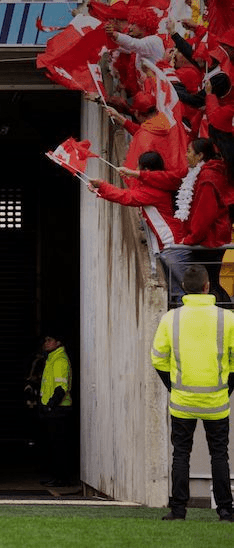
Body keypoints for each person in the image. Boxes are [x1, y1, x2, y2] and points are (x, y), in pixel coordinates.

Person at [151, 264, 234, 521]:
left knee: (181, 454)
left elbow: (158, 359)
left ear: (184, 288)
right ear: (207, 287)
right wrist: (226, 388)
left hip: (182, 401)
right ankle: (225, 510)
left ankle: (178, 510)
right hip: (216, 401)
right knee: (219, 455)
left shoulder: (170, 318)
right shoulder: (227, 318)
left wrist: (173, 387)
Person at [88, 151, 188, 304]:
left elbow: (126, 196)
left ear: (146, 170)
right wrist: (120, 179)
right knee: (178, 292)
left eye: (138, 168)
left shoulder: (153, 191)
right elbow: (137, 189)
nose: (136, 170)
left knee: (182, 292)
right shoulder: (159, 184)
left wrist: (102, 186)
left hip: (171, 244)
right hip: (171, 243)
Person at [177, 138, 232, 303]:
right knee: (212, 280)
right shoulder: (207, 173)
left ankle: (223, 310)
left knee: (210, 282)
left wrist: (191, 238)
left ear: (200, 155)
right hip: (210, 238)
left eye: (189, 151)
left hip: (209, 240)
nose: (186, 155)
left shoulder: (207, 177)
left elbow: (204, 214)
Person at [38, 332, 73, 487]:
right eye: (45, 340)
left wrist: (51, 405)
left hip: (58, 409)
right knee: (52, 445)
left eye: (49, 339)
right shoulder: (51, 359)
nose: (46, 343)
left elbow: (61, 387)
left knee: (59, 445)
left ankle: (62, 478)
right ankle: (55, 476)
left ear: (58, 342)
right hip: (51, 409)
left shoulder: (59, 360)